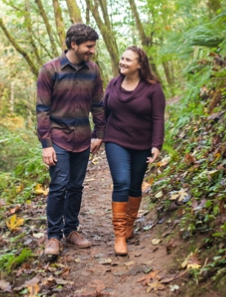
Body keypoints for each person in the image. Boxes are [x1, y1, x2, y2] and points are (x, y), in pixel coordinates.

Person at [36, 24, 106, 260]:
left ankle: (71, 230)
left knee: (76, 186)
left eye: (93, 46)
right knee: (59, 185)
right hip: (58, 138)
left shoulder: (93, 71)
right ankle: (53, 236)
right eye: (89, 46)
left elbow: (98, 105)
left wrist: (99, 134)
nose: (92, 51)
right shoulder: (50, 70)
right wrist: (46, 145)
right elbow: (42, 109)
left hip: (83, 138)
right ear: (74, 44)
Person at [103, 46, 165, 256]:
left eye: (128, 60)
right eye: (122, 58)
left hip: (142, 143)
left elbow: (158, 117)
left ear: (139, 64)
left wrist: (157, 144)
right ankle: (119, 235)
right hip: (115, 139)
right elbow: (103, 112)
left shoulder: (152, 89)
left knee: (135, 184)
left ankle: (129, 225)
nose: (123, 62)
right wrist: (96, 135)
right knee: (122, 182)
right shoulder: (113, 84)